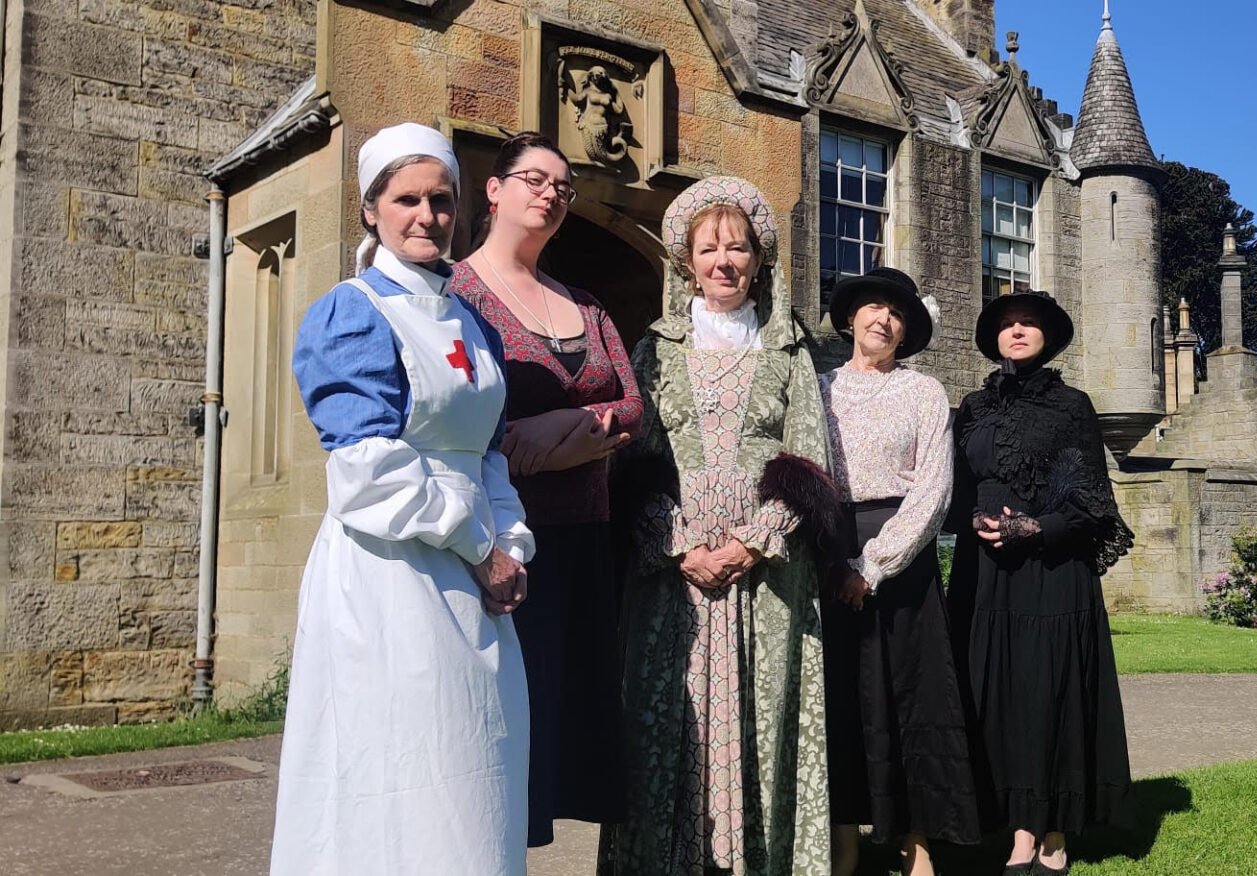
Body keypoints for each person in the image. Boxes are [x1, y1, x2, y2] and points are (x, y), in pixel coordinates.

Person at [271, 123, 534, 875]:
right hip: (392, 575)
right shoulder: (353, 313)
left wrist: (510, 546)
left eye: (441, 199)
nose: (427, 215)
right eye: (407, 199)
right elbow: (367, 472)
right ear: (371, 209)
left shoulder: (470, 320)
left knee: (477, 768)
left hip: (474, 575)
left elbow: (487, 451)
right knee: (401, 773)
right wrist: (482, 548)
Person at [600, 176, 836, 876]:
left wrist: (752, 541)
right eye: (709, 249)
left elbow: (808, 458)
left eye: (738, 248)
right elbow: (632, 467)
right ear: (686, 260)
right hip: (672, 580)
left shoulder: (788, 347)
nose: (724, 261)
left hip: (765, 579)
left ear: (760, 260)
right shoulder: (655, 348)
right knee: (667, 725)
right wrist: (679, 548)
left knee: (762, 720)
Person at [450, 131, 640, 848]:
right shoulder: (457, 293)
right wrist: (556, 445)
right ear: (494, 190)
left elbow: (632, 407)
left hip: (583, 540)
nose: (552, 193)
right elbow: (461, 417)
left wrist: (563, 426)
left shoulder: (586, 306)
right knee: (499, 731)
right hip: (499, 544)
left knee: (562, 728)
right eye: (535, 178)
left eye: (564, 186)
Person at [946, 290, 1135, 876]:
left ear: (1047, 337)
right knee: (992, 697)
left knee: (1046, 695)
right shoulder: (973, 407)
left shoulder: (1071, 406)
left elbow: (1092, 501)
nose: (1018, 331)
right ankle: (1008, 822)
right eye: (1007, 324)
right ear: (994, 337)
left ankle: (1046, 833)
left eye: (1029, 324)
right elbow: (954, 486)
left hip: (1051, 571)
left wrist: (1035, 528)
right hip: (984, 576)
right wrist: (975, 521)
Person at [818, 268, 980, 876]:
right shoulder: (818, 387)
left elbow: (935, 489)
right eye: (872, 308)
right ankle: (845, 840)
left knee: (913, 699)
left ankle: (918, 840)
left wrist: (874, 565)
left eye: (895, 312)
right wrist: (834, 563)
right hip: (828, 553)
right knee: (839, 700)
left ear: (906, 330)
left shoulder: (924, 392)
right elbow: (804, 474)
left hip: (901, 559)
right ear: (851, 318)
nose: (882, 319)